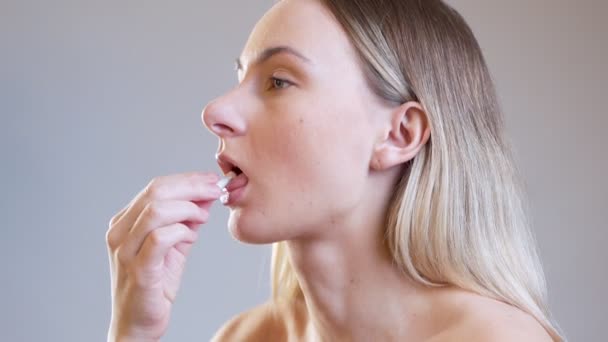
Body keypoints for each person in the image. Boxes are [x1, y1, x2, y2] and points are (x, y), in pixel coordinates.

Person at [105, 0, 564, 340]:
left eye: (278, 81)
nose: (216, 111)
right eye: (241, 77)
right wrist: (133, 332)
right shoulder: (246, 337)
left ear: (398, 134)